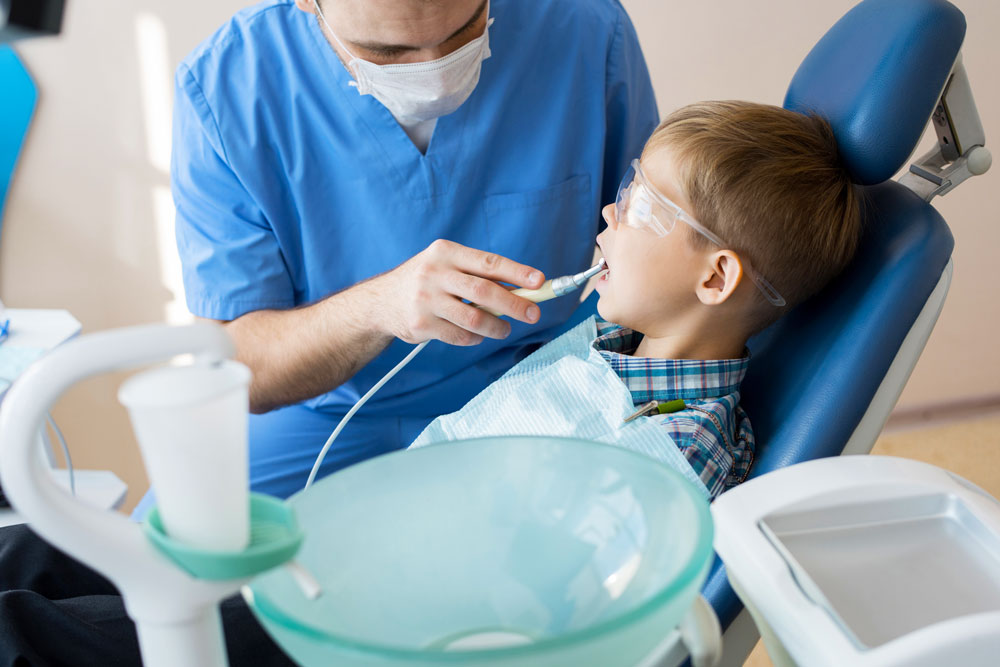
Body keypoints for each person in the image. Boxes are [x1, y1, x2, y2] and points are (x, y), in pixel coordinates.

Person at [0, 0, 658, 664]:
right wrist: (379, 305)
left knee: (203, 626)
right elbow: (241, 366)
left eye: (463, 35)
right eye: (390, 55)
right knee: (123, 572)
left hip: (522, 411)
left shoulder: (586, 33)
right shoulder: (230, 86)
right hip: (318, 414)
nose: (435, 72)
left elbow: (648, 251)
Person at [409, 100, 862, 499]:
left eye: (641, 205)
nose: (610, 211)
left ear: (715, 277)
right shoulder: (615, 340)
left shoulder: (681, 452)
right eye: (629, 186)